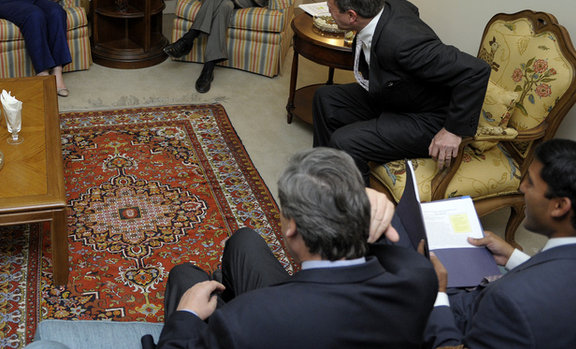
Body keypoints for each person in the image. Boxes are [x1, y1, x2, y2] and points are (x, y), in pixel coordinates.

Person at [155, 148, 438, 348]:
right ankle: (220, 281)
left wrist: (187, 316)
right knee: (244, 241)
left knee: (185, 277)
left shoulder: (243, 320)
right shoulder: (418, 275)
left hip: (288, 321)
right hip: (315, 306)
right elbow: (394, 249)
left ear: (292, 230)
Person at [425, 139, 576, 349]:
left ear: (560, 206)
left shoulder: (511, 302)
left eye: (530, 182)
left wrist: (437, 293)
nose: (521, 187)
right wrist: (512, 257)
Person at [311, 0, 489, 180]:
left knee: (345, 141)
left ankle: (358, 208)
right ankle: (325, 178)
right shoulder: (379, 1)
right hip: (397, 95)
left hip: (426, 119)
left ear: (351, 16)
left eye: (331, 10)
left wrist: (452, 131)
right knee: (325, 98)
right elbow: (411, 9)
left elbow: (476, 70)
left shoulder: (405, 43)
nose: (329, 13)